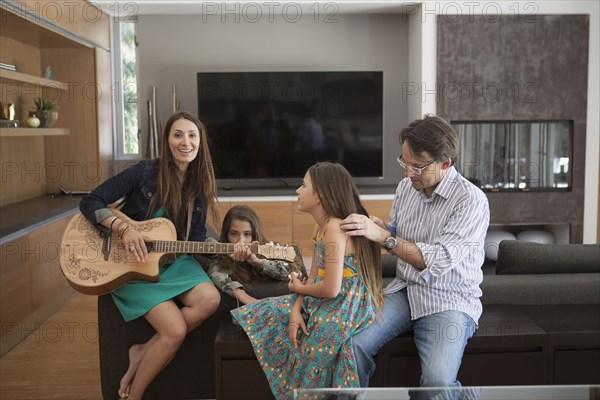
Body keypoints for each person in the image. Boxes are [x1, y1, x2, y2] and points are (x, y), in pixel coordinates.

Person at [341, 114, 490, 396]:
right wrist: (376, 226)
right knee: (351, 345)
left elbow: (437, 258)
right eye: (404, 162)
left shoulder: (471, 201)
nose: (408, 173)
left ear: (445, 163)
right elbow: (398, 233)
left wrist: (385, 237)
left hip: (449, 298)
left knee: (437, 381)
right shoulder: (406, 188)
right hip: (405, 290)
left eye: (417, 166)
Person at [79, 111, 221, 400]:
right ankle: (134, 396)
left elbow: (194, 239)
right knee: (175, 331)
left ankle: (143, 350)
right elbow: (90, 200)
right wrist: (123, 228)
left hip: (173, 260)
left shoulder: (199, 185)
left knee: (210, 299)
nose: (186, 142)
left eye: (192, 135)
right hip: (132, 262)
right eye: (178, 134)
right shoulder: (144, 172)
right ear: (167, 141)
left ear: (200, 141)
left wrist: (228, 252)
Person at [231, 162, 383, 400]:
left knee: (312, 347)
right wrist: (296, 306)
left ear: (320, 195)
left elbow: (332, 289)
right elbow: (313, 276)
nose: (297, 191)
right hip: (326, 298)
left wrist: (299, 288)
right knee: (269, 310)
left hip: (346, 306)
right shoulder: (320, 227)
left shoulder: (334, 227)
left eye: (303, 185)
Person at [208, 204, 306, 305]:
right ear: (226, 234)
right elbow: (215, 274)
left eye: (247, 234)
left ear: (255, 234)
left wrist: (258, 262)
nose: (241, 241)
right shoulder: (220, 253)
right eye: (234, 234)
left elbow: (294, 273)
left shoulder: (266, 248)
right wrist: (242, 295)